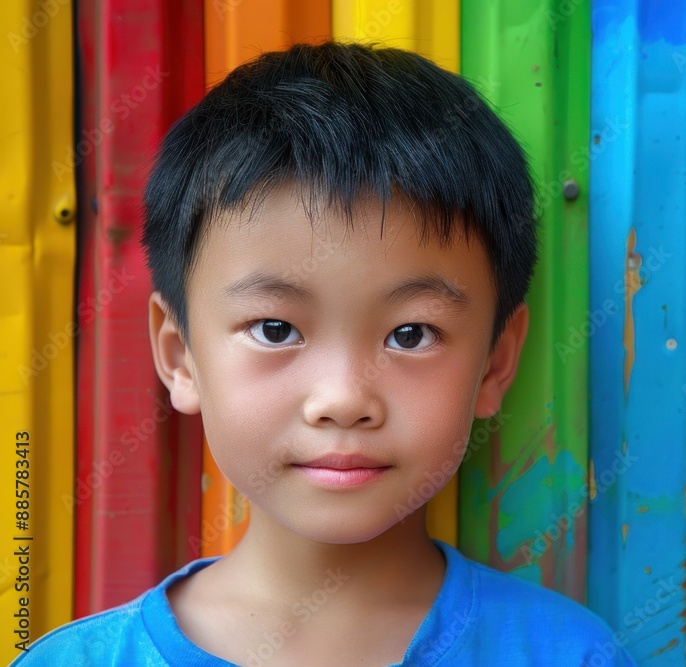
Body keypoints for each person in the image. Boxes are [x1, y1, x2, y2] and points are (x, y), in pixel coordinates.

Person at [14, 42, 636, 666]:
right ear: (180, 356)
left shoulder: (567, 655)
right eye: (276, 329)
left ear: (496, 362)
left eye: (411, 334)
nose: (343, 399)